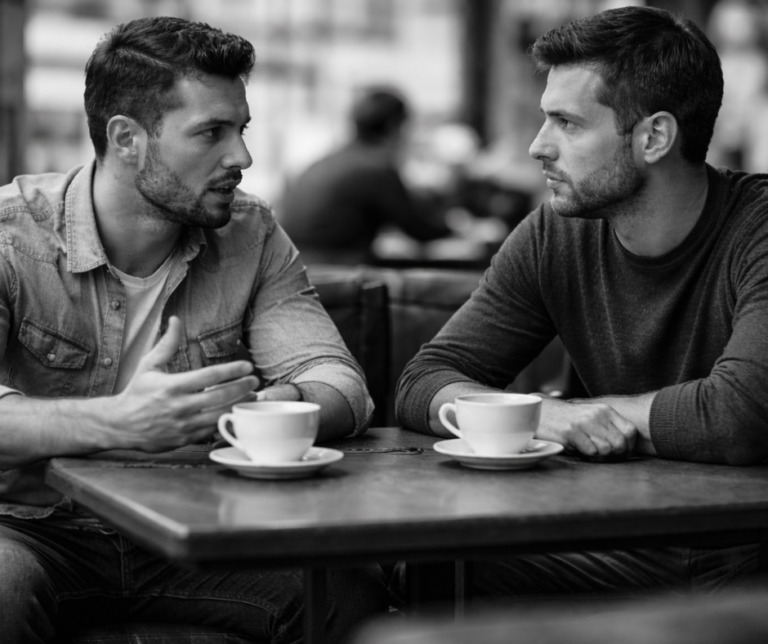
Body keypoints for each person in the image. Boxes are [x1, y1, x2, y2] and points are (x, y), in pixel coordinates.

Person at [0, 17, 387, 643]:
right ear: (128, 139)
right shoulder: (11, 237)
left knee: (347, 592)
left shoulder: (250, 233)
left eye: (241, 129)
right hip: (29, 527)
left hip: (196, 520)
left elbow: (339, 384)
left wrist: (265, 408)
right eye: (212, 131)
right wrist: (121, 421)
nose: (243, 157)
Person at [396, 5, 768, 603]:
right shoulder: (556, 233)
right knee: (425, 566)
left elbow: (740, 414)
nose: (537, 147)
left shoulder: (758, 230)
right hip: (611, 531)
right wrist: (545, 416)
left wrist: (602, 419)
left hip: (743, 548)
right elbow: (423, 381)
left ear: (654, 137)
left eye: (566, 123)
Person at [279, 87, 452, 265]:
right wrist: (458, 225)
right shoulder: (377, 168)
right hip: (335, 274)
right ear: (395, 126)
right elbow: (420, 230)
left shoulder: (330, 159)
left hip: (294, 269)